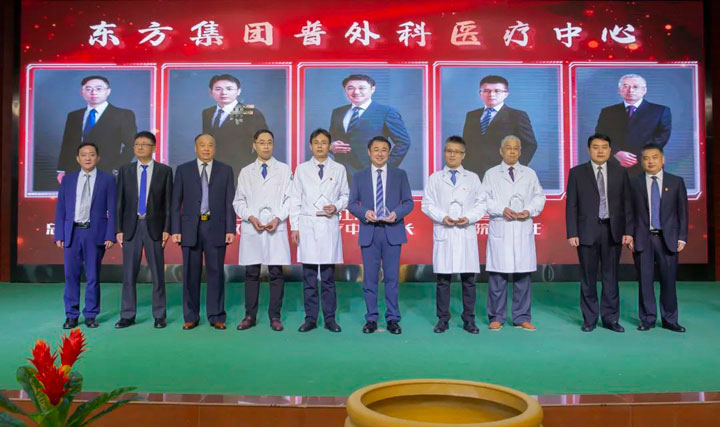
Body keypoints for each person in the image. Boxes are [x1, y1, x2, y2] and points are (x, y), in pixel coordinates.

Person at [566, 133, 633, 333]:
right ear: (589, 150)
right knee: (588, 278)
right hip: (587, 231)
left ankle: (611, 319)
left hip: (613, 230)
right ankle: (590, 319)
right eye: (596, 147)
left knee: (611, 277)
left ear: (610, 150)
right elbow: (572, 205)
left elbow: (627, 203)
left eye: (604, 147)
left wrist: (628, 231)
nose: (600, 151)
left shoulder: (620, 171)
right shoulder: (577, 173)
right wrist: (572, 232)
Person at [348, 136, 413, 334]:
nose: (380, 153)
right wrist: (365, 212)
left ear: (389, 153)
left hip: (392, 231)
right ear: (369, 152)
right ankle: (371, 319)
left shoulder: (399, 175)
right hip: (370, 231)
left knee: (392, 279)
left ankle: (393, 319)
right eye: (376, 149)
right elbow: (352, 204)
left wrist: (396, 214)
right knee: (369, 279)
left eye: (384, 149)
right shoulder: (359, 176)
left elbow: (408, 202)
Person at [421, 136, 485, 334]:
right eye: (449, 151)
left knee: (469, 280)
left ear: (463, 155)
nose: (452, 155)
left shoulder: (472, 178)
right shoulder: (435, 178)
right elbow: (426, 204)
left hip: (465, 232)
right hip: (445, 232)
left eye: (457, 152)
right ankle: (443, 320)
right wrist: (443, 217)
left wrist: (468, 218)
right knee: (443, 281)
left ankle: (469, 320)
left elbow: (481, 204)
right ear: (444, 153)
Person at [171, 133, 235, 330]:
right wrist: (176, 229)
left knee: (216, 273)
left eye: (210, 145)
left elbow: (229, 202)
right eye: (202, 145)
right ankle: (191, 316)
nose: (206, 148)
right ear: (195, 147)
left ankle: (216, 315)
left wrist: (230, 229)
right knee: (190, 273)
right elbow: (175, 203)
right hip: (190, 228)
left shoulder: (225, 170)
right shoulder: (183, 170)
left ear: (215, 148)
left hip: (216, 227)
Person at [483, 135, 546, 332]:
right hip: (501, 227)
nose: (512, 151)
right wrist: (501, 209)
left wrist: (529, 210)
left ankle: (521, 317)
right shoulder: (491, 174)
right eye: (508, 148)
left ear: (520, 151)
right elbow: (483, 199)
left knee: (523, 277)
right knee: (498, 277)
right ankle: (496, 317)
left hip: (521, 227)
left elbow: (539, 197)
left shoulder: (529, 174)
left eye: (516, 148)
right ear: (501, 151)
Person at [289, 128, 349, 333]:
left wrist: (336, 206)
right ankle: (310, 319)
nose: (320, 146)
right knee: (309, 278)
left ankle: (330, 319)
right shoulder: (301, 169)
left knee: (328, 278)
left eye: (324, 142)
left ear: (329, 146)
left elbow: (345, 196)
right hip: (307, 226)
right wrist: (294, 227)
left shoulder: (339, 169)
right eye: (316, 142)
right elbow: (295, 199)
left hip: (328, 224)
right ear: (310, 146)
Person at [233, 129, 292, 332]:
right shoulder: (246, 171)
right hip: (253, 228)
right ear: (254, 145)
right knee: (251, 272)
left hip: (276, 227)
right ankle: (249, 315)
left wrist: (278, 218)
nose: (266, 146)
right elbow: (238, 201)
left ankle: (275, 316)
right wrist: (250, 217)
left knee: (276, 272)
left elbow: (290, 199)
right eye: (261, 142)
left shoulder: (284, 170)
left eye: (269, 142)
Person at [114, 131, 173, 329]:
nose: (140, 147)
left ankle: (159, 315)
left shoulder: (164, 171)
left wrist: (167, 228)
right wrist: (119, 229)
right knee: (129, 275)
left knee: (157, 274)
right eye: (137, 144)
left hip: (154, 227)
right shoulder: (125, 170)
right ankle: (127, 315)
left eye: (145, 144)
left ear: (154, 148)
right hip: (131, 228)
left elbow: (168, 203)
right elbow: (119, 203)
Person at [54, 142, 116, 329]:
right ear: (77, 158)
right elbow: (61, 209)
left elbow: (113, 210)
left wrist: (110, 235)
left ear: (98, 158)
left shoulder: (107, 179)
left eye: (91, 154)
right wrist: (59, 234)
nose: (88, 158)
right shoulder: (68, 180)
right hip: (72, 233)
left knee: (93, 276)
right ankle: (71, 315)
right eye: (84, 155)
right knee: (70, 276)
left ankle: (90, 314)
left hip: (94, 233)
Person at [628, 143, 687, 332]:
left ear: (663, 159)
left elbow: (682, 213)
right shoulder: (634, 182)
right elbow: (629, 212)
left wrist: (682, 237)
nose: (650, 161)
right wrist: (629, 235)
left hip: (667, 239)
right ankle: (648, 319)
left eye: (654, 157)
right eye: (646, 158)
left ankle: (670, 319)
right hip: (642, 238)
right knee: (645, 281)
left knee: (668, 281)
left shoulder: (676, 182)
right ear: (641, 162)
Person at [328, 74, 411, 177]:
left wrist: (385, 166)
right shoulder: (338, 112)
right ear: (345, 90)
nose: (356, 92)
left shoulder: (387, 112)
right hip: (340, 173)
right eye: (350, 88)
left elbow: (403, 142)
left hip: (370, 173)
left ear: (372, 89)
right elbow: (331, 138)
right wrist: (330, 146)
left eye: (362, 88)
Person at [56, 75, 137, 181]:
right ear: (82, 92)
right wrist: (62, 170)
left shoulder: (123, 115)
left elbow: (132, 145)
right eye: (88, 89)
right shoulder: (74, 116)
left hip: (107, 172)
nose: (93, 92)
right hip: (75, 171)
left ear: (108, 91)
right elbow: (67, 144)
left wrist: (117, 169)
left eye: (99, 89)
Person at [462, 75, 537, 179]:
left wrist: (514, 168)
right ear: (480, 93)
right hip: (473, 173)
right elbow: (466, 144)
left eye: (497, 91)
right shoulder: (472, 115)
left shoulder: (517, 115)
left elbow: (530, 145)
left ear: (506, 94)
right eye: (486, 91)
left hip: (503, 173)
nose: (491, 94)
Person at [595, 74, 672, 175]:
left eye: (635, 87)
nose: (630, 90)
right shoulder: (608, 112)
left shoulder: (660, 111)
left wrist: (637, 155)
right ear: (619, 90)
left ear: (644, 90)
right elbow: (600, 136)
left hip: (647, 162)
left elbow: (662, 137)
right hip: (615, 163)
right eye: (625, 86)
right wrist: (616, 153)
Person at [202, 74, 269, 181]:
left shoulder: (249, 112)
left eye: (229, 89)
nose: (223, 92)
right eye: (218, 89)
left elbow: (263, 145)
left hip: (240, 170)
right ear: (211, 92)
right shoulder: (207, 113)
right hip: (213, 168)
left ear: (238, 91)